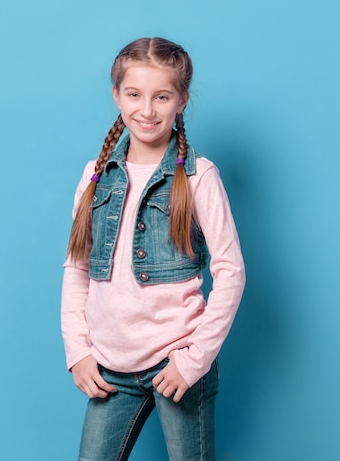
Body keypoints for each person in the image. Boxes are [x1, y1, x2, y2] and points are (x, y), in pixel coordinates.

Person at [61, 37, 246, 461]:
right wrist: (78, 352)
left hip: (176, 362)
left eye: (161, 96)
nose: (147, 110)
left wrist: (193, 360)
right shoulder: (95, 176)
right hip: (110, 366)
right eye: (134, 95)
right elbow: (77, 267)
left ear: (180, 100)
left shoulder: (200, 178)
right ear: (116, 95)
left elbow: (231, 272)